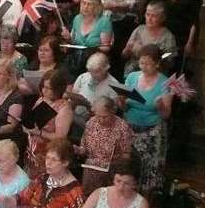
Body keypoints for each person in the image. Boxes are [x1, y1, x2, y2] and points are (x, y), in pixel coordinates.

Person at [123, 44, 172, 196]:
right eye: (141, 63)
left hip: (152, 129)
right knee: (129, 163)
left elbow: (166, 115)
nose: (143, 67)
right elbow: (124, 106)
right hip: (130, 125)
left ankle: (147, 196)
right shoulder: (132, 77)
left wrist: (160, 106)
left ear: (157, 63)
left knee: (149, 166)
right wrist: (120, 101)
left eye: (148, 63)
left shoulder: (165, 83)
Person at [76, 96, 134, 195]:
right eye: (98, 116)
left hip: (112, 171)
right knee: (89, 198)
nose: (101, 120)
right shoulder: (91, 123)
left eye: (105, 117)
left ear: (113, 111)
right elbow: (84, 148)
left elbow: (127, 155)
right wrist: (78, 150)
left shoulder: (122, 127)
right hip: (91, 170)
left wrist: (116, 166)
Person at [24, 72, 73, 179]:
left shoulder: (64, 108)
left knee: (43, 180)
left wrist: (38, 132)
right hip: (33, 148)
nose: (44, 91)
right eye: (43, 87)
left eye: (48, 88)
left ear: (58, 89)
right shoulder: (41, 99)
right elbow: (33, 121)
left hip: (49, 152)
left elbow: (60, 137)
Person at [63, 0, 113, 75]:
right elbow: (73, 42)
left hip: (95, 61)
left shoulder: (104, 21)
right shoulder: (77, 19)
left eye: (89, 4)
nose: (85, 6)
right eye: (83, 3)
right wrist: (68, 38)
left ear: (96, 6)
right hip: (76, 61)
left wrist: (89, 49)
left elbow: (106, 48)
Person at [68, 52, 121, 131]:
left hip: (99, 123)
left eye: (96, 72)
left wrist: (91, 108)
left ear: (106, 69)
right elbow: (72, 98)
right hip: (77, 118)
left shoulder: (114, 84)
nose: (93, 75)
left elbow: (112, 111)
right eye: (90, 71)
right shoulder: (83, 77)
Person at [123, 0, 178, 76]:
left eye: (154, 16)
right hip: (133, 73)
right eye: (147, 14)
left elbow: (170, 60)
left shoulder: (168, 36)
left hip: (155, 75)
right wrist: (127, 49)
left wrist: (148, 52)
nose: (149, 19)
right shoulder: (139, 30)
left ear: (162, 18)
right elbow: (124, 55)